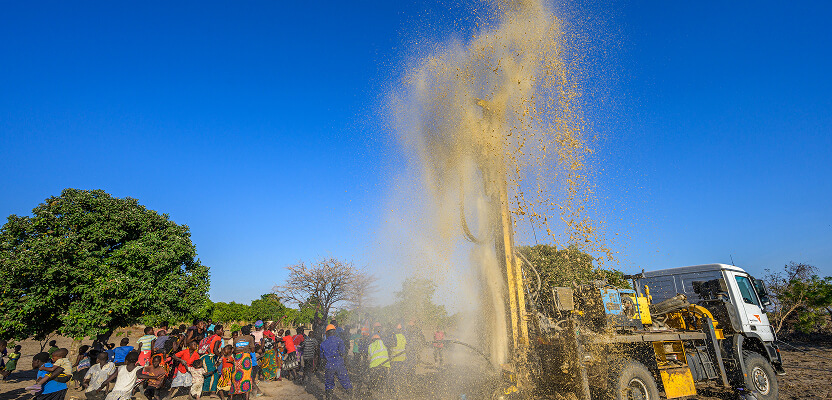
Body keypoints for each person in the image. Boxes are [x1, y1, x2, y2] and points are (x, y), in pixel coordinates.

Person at [319, 324, 352, 400]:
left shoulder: (323, 344)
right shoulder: (339, 340)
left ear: (327, 333)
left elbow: (322, 357)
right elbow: (343, 352)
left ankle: (329, 398)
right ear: (334, 332)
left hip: (329, 365)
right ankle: (351, 397)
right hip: (339, 364)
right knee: (345, 381)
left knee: (329, 383)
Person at [232, 325, 256, 399]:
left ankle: (236, 394)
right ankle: (246, 398)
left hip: (237, 358)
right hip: (246, 358)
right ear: (249, 332)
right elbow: (252, 350)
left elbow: (235, 351)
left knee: (237, 377)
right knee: (247, 377)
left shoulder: (236, 339)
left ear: (241, 332)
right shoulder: (250, 338)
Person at [201, 324, 225, 395]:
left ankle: (204, 391)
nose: (222, 332)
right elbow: (215, 350)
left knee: (207, 374)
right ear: (217, 331)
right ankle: (213, 392)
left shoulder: (211, 337)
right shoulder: (217, 338)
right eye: (221, 330)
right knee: (215, 374)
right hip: (209, 357)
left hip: (204, 357)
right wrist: (221, 356)